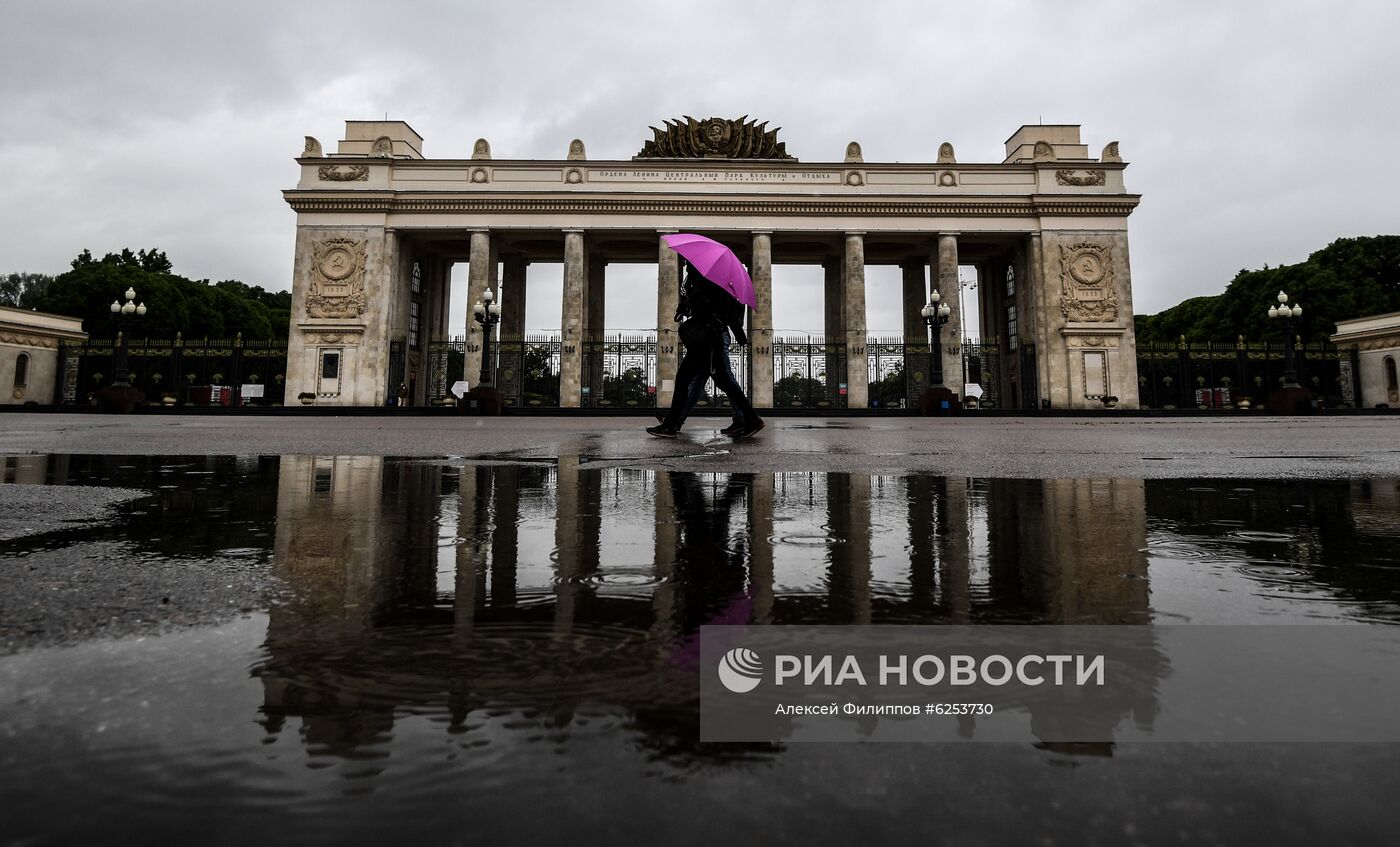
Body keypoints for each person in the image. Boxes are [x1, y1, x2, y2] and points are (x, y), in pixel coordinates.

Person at [647, 263, 764, 438]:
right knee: (702, 379)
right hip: (707, 336)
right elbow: (701, 307)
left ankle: (672, 424)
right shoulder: (702, 282)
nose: (686, 268)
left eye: (688, 265)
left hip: (709, 336)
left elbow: (714, 309)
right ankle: (673, 422)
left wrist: (693, 300)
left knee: (707, 379)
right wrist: (686, 305)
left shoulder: (712, 282)